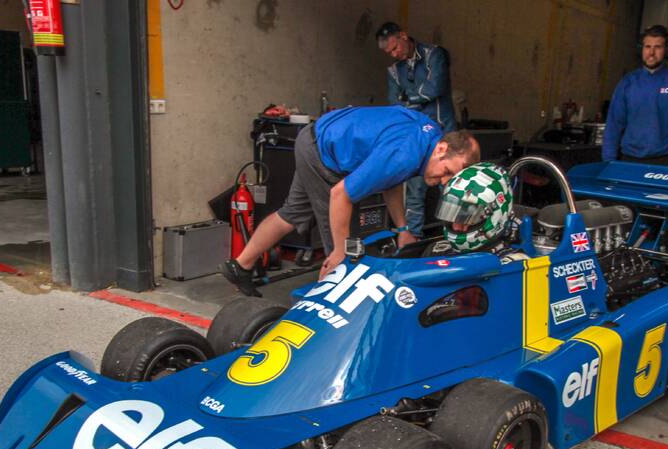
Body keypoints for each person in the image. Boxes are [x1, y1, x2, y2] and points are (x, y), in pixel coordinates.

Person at [219, 105, 479, 297]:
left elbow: (391, 179)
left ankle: (240, 265)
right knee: (345, 254)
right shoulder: (406, 154)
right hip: (323, 155)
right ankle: (322, 324)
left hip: (315, 137)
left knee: (292, 213)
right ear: (443, 149)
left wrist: (402, 229)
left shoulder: (430, 135)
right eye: (447, 172)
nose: (445, 181)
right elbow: (340, 194)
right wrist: (340, 250)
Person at [376, 21, 456, 245]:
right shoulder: (393, 70)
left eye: (395, 48)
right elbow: (394, 106)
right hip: (416, 138)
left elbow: (436, 87)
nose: (394, 54)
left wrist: (409, 98)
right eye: (389, 52)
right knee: (414, 187)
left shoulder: (434, 54)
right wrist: (417, 99)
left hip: (444, 133)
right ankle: (413, 238)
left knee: (450, 185)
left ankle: (456, 236)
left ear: (403, 36)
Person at [602, 25, 668, 168]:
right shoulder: (628, 83)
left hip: (665, 162)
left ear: (666, 50)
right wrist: (608, 161)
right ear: (641, 49)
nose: (651, 52)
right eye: (647, 47)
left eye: (658, 47)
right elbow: (614, 124)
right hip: (629, 160)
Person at [426, 162, 526, 263]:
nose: (456, 227)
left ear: (496, 216)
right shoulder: (436, 251)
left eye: (467, 220)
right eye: (452, 216)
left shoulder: (514, 263)